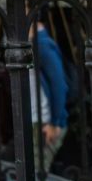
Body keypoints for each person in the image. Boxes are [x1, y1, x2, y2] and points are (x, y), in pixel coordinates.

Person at [30, 24, 71, 172]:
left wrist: (55, 123)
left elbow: (59, 85)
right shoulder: (32, 45)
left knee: (36, 177)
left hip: (43, 123)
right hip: (36, 120)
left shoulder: (42, 45)